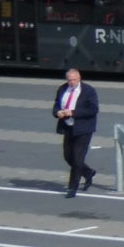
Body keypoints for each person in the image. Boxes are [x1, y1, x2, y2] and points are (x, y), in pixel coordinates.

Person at [52, 67, 99, 197]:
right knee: (68, 157)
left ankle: (72, 187)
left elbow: (93, 110)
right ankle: (88, 172)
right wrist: (58, 113)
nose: (71, 82)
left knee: (78, 158)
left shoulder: (88, 91)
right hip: (68, 127)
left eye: (74, 80)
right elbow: (56, 105)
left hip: (83, 129)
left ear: (79, 78)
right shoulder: (62, 89)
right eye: (69, 80)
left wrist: (73, 112)